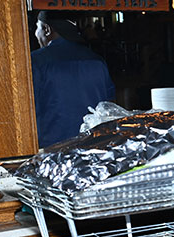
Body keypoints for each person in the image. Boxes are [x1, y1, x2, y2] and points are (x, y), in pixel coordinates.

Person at [31, 11, 115, 148]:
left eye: (37, 27)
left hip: (52, 148)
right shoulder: (97, 60)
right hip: (93, 145)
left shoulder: (35, 61)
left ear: (46, 29)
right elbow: (109, 105)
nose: (36, 33)